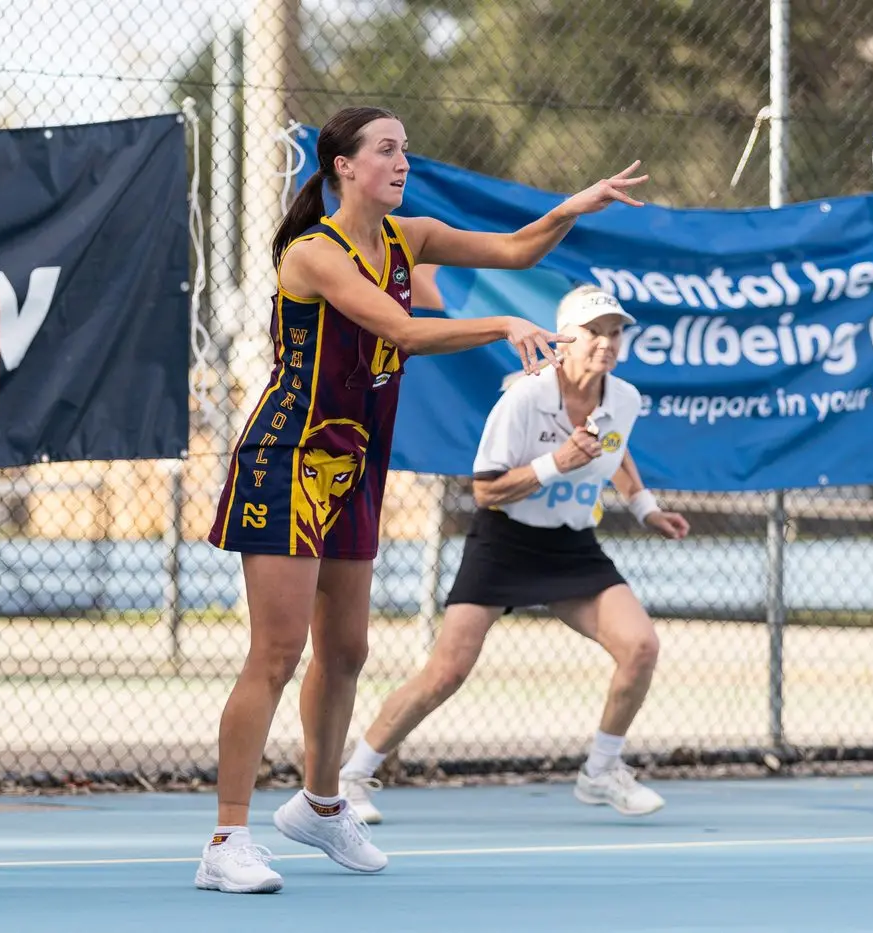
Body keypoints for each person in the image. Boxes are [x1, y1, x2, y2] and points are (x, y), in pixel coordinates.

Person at [198, 105, 646, 894]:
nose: (402, 160)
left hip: (354, 465)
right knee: (276, 653)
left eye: (405, 148)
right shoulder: (313, 253)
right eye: (386, 149)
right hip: (288, 459)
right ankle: (226, 838)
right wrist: (500, 325)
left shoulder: (408, 236)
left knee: (346, 651)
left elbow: (515, 249)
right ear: (343, 166)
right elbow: (399, 331)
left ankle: (321, 804)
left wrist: (572, 208)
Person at [338, 285, 688, 823]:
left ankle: (600, 772)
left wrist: (646, 509)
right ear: (565, 339)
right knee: (446, 672)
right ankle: (352, 778)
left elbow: (615, 451)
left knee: (641, 647)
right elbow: (485, 490)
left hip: (571, 545)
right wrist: (557, 463)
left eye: (615, 333)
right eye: (594, 332)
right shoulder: (523, 398)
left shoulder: (624, 399)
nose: (607, 342)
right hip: (504, 541)